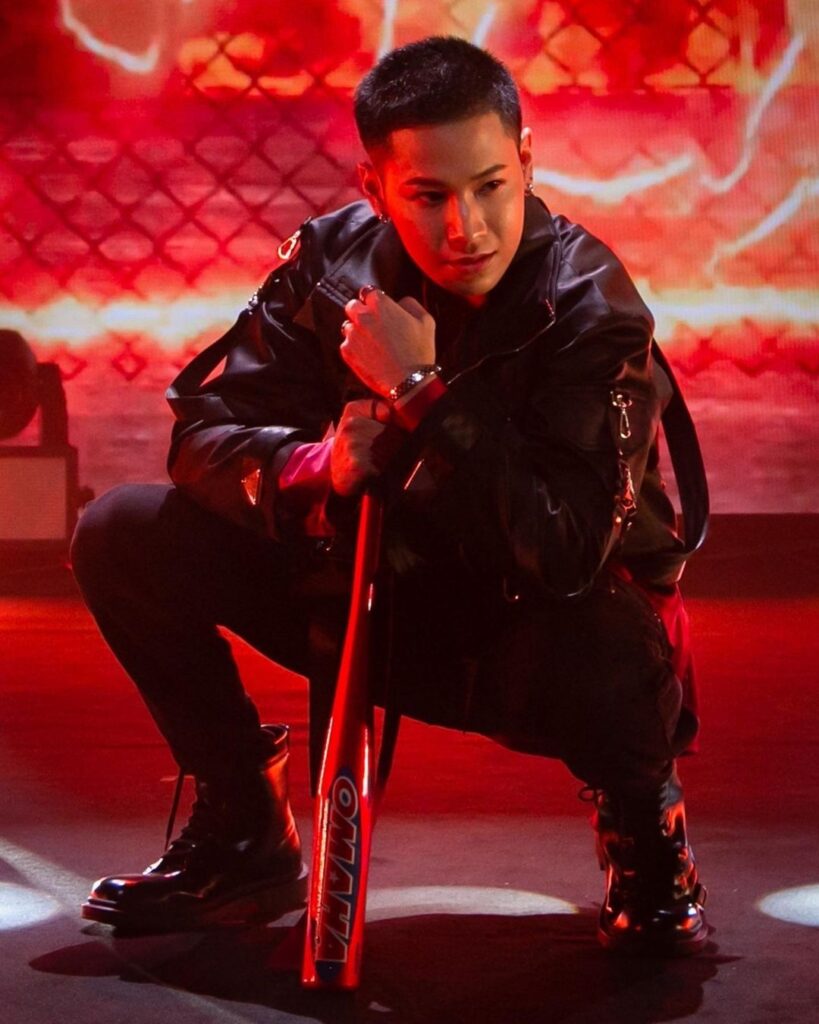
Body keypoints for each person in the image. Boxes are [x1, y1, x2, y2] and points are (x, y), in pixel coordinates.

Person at [71, 35, 709, 955]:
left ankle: (646, 838)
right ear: (374, 188)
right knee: (123, 532)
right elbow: (202, 431)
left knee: (608, 637)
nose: (466, 228)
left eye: (490, 186)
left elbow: (563, 548)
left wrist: (422, 396)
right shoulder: (331, 262)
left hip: (529, 626)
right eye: (429, 196)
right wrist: (314, 468)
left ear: (527, 159)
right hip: (372, 593)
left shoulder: (587, 305)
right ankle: (245, 829)